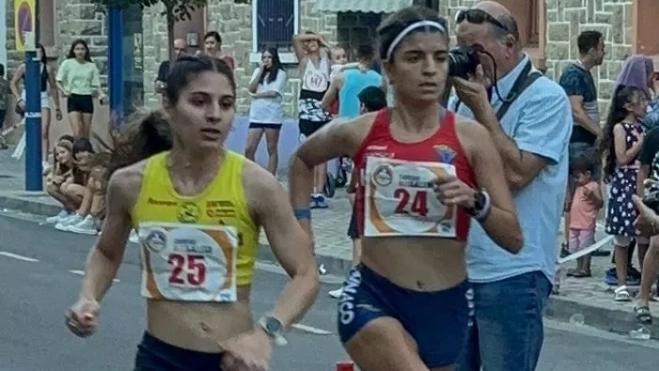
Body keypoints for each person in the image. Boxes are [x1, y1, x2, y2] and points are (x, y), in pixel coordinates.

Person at [289, 6, 522, 370]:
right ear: (389, 67)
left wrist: (476, 201)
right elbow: (302, 161)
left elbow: (513, 238)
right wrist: (302, 232)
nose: (430, 69)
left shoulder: (471, 138)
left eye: (440, 57)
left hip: (446, 306)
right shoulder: (360, 131)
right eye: (415, 57)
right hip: (374, 298)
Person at [64, 55, 319, 371]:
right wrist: (89, 296)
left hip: (231, 362)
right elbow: (106, 252)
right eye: (200, 102)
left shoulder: (257, 185)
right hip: (159, 359)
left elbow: (306, 274)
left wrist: (265, 333)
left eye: (226, 105)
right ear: (168, 106)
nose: (214, 115)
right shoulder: (130, 183)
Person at [450, 2, 572, 371]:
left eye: (474, 50)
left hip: (514, 272)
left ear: (509, 45)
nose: (466, 59)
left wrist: (483, 109)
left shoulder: (546, 97)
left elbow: (518, 175)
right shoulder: (464, 97)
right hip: (460, 269)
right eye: (460, 49)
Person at [328, 85, 387, 300]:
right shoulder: (391, 127)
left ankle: (354, 285)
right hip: (385, 192)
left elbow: (360, 163)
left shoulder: (364, 129)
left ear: (364, 107)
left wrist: (351, 185)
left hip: (366, 189)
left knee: (358, 239)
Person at [598, 85, 648, 301]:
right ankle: (621, 283)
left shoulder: (643, 127)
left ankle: (648, 281)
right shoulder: (621, 128)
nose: (646, 106)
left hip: (641, 182)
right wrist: (640, 143)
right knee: (623, 236)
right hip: (625, 184)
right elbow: (622, 157)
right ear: (629, 106)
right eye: (642, 101)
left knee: (644, 236)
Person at [558, 30, 605, 255]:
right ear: (592, 49)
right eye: (602, 47)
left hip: (587, 143)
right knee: (578, 193)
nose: (603, 52)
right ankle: (571, 244)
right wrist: (600, 133)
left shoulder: (585, 74)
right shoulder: (574, 75)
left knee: (589, 192)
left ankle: (586, 242)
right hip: (578, 143)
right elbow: (576, 111)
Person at [292, 31, 334, 209]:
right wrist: (312, 37)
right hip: (307, 108)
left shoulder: (327, 62)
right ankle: (307, 191)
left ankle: (319, 192)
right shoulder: (304, 60)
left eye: (314, 41)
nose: (311, 43)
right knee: (308, 150)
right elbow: (296, 39)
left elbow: (335, 52)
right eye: (308, 42)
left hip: (322, 106)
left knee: (322, 153)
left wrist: (322, 41)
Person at [11, 44, 63, 167]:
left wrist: (57, 107)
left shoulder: (47, 68)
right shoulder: (24, 67)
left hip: (43, 97)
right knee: (30, 129)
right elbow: (13, 83)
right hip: (27, 96)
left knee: (44, 130)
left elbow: (54, 87)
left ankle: (44, 161)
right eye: (35, 52)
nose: (38, 55)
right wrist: (18, 99)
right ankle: (30, 157)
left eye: (40, 52)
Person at [245, 47, 287, 175]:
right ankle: (254, 175)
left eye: (269, 57)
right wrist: (260, 71)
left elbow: (274, 92)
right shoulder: (258, 71)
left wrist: (258, 96)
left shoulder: (281, 73)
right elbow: (251, 88)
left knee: (271, 148)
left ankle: (270, 177)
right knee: (249, 148)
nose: (266, 60)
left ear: (274, 58)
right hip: (257, 115)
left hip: (272, 115)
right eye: (264, 57)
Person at [56, 39, 106, 139]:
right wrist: (64, 91)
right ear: (73, 51)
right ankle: (76, 152)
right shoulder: (67, 63)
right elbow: (58, 80)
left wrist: (101, 94)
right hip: (73, 96)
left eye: (82, 49)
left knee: (85, 132)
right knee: (77, 130)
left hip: (86, 97)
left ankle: (85, 152)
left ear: (86, 51)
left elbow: (96, 84)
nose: (80, 51)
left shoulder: (91, 66)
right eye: (77, 49)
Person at [321, 44, 385, 119]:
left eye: (344, 56)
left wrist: (334, 116)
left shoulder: (341, 77)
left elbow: (324, 104)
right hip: (370, 124)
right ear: (373, 58)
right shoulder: (380, 80)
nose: (343, 60)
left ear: (357, 57)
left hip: (346, 125)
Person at [635, 125, 659, 323]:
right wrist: (642, 202)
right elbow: (643, 169)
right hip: (657, 197)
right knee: (656, 245)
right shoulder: (655, 135)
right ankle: (643, 299)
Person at [566, 156, 603, 277]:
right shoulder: (578, 187)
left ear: (588, 174)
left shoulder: (593, 186)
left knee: (585, 246)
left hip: (586, 222)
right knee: (575, 246)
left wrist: (592, 196)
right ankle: (578, 266)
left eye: (578, 177)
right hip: (575, 222)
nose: (576, 180)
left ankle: (585, 268)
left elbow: (600, 203)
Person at [54, 138, 97, 231]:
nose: (79, 155)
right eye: (77, 152)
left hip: (96, 195)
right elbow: (71, 178)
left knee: (71, 188)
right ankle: (76, 214)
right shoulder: (76, 166)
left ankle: (83, 216)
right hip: (89, 194)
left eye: (82, 151)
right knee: (64, 187)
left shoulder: (95, 164)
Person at [45, 135, 77, 223]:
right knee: (51, 187)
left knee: (66, 186)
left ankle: (77, 212)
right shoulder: (61, 166)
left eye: (63, 152)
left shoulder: (77, 165)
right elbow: (51, 177)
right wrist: (55, 178)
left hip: (80, 192)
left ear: (71, 152)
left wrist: (66, 179)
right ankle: (68, 210)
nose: (59, 156)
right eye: (57, 154)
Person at [0, 63, 9, 149]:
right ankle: (3, 142)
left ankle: (3, 142)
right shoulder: (6, 82)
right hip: (3, 106)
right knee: (1, 125)